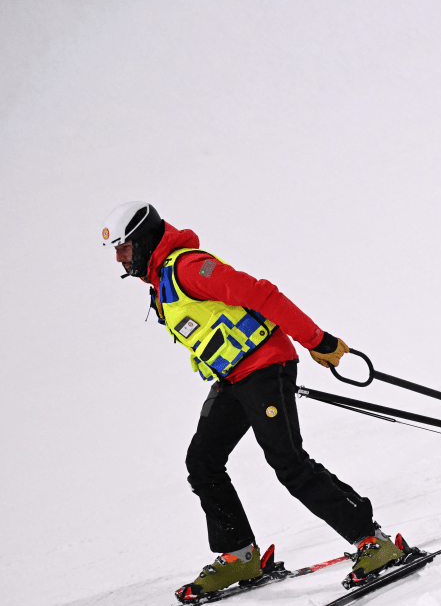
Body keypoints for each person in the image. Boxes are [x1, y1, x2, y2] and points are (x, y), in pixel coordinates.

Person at [100, 202, 420, 601]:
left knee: (288, 462)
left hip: (266, 367)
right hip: (234, 379)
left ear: (145, 240)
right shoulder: (163, 281)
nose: (120, 258)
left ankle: (373, 541)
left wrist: (316, 340)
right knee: (202, 462)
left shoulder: (189, 269)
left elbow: (262, 295)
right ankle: (240, 555)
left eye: (124, 248)